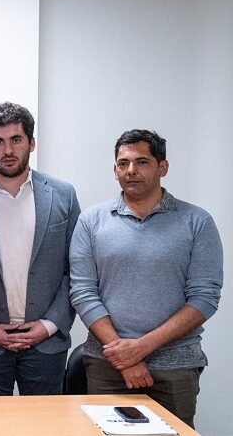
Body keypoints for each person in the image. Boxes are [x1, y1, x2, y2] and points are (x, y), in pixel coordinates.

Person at [70, 129, 223, 428]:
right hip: (107, 364)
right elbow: (83, 292)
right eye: (123, 163)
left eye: (142, 162)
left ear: (162, 167)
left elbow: (204, 298)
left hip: (175, 366)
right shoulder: (91, 221)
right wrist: (124, 355)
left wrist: (139, 349)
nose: (131, 170)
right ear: (115, 170)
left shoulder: (197, 222)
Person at [0, 102, 79, 396]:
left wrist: (50, 324)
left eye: (16, 139)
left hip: (46, 342)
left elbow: (77, 270)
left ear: (31, 142)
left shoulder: (63, 195)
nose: (8, 150)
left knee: (43, 420)